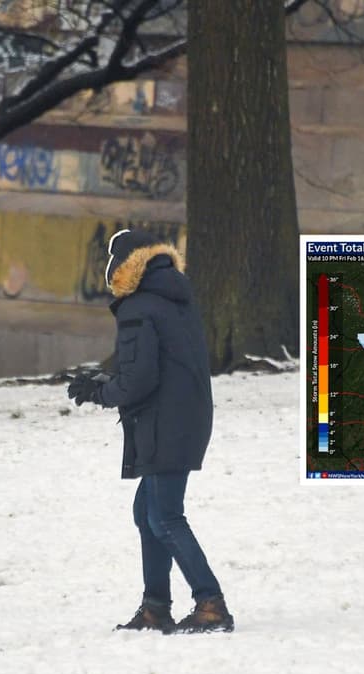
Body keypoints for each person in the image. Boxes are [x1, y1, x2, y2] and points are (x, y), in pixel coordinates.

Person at [67, 228, 233, 634]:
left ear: (121, 268)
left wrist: (98, 392)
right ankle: (156, 607)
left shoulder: (138, 307)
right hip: (187, 417)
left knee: (165, 517)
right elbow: (159, 364)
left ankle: (210, 603)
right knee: (148, 512)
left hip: (165, 423)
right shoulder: (176, 297)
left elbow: (138, 379)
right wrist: (107, 380)